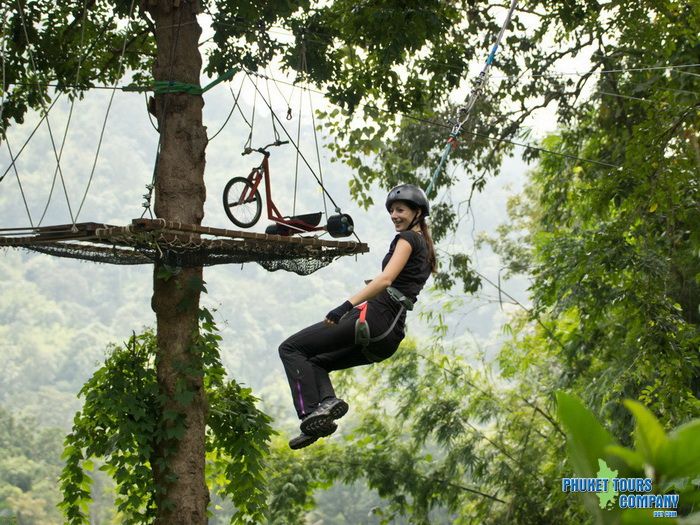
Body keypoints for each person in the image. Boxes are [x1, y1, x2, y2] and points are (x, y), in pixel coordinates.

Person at [278, 184, 437, 449]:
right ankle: (324, 410)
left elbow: (386, 280)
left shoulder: (408, 239)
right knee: (316, 363)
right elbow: (401, 283)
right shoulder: (426, 247)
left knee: (291, 348)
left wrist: (344, 306)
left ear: (417, 212)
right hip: (390, 336)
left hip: (374, 319)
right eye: (391, 211)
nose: (394, 216)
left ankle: (308, 413)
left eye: (400, 210)